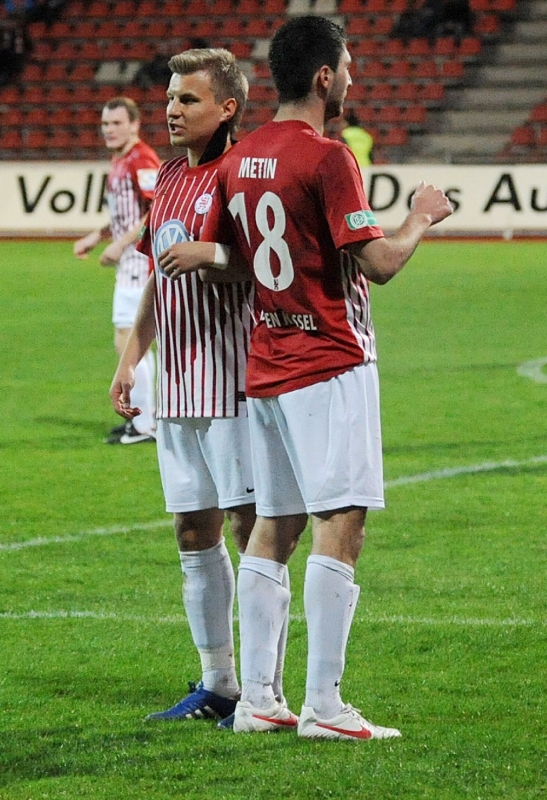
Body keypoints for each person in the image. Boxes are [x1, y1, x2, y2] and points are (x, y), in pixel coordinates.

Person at [159, 15, 453, 740]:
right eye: (346, 66)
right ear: (324, 76)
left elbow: (229, 265)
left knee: (273, 527)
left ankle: (259, 700)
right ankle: (324, 705)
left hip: (264, 365)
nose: (351, 77)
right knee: (341, 523)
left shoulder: (241, 157)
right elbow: (379, 264)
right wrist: (420, 217)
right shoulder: (326, 157)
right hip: (329, 359)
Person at [110, 48, 305, 724]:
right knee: (192, 528)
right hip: (177, 389)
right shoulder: (168, 175)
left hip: (235, 383)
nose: (171, 109)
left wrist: (215, 253)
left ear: (227, 108)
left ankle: (264, 690)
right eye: (170, 97)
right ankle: (218, 682)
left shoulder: (243, 173)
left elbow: (276, 264)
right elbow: (157, 278)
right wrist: (130, 360)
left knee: (251, 528)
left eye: (187, 99)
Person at [74, 97, 160, 444]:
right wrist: (97, 237)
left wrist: (121, 245)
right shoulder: (121, 160)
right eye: (105, 124)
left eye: (117, 123)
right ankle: (141, 419)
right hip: (129, 262)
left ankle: (144, 423)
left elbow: (155, 210)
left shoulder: (142, 159)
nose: (109, 130)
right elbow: (125, 215)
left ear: (134, 124)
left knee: (132, 340)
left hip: (139, 260)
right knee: (126, 339)